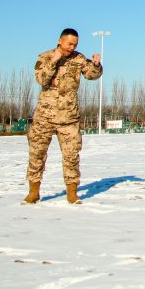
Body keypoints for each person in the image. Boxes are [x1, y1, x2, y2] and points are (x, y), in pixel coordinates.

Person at [24, 28, 103, 205]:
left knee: (72, 156)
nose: (72, 47)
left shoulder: (79, 58)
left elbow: (91, 75)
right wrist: (53, 61)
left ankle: (72, 193)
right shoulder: (44, 57)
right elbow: (42, 79)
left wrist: (97, 65)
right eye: (69, 44)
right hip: (44, 116)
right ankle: (33, 192)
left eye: (75, 44)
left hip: (69, 118)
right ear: (60, 41)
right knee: (37, 154)